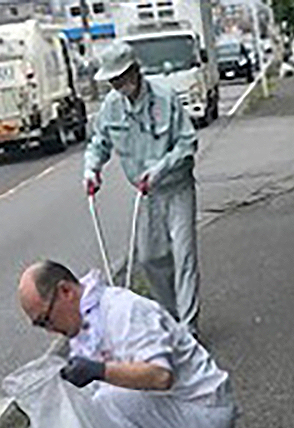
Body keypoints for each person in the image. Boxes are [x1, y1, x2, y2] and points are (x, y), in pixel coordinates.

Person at [17, 260, 238, 428]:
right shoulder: (85, 330)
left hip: (204, 410)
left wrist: (100, 370)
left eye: (46, 319)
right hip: (178, 411)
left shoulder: (123, 310)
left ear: (66, 291)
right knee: (90, 415)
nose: (50, 330)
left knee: (107, 404)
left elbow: (160, 376)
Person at [84, 41, 201, 335]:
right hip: (145, 194)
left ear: (134, 71)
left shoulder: (166, 98)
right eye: (112, 80)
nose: (116, 84)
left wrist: (161, 168)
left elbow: (188, 143)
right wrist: (92, 169)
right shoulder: (111, 107)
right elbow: (99, 143)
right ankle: (172, 319)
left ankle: (189, 328)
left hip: (177, 188)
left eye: (120, 78)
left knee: (184, 256)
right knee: (149, 258)